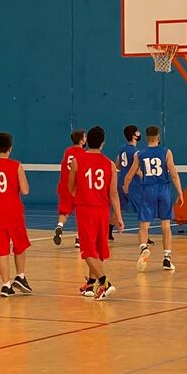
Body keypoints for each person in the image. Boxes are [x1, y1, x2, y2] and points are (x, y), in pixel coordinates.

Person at [68, 126, 123, 299]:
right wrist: (119, 217)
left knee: (87, 250)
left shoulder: (77, 160)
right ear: (102, 143)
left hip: (85, 208)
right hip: (103, 210)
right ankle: (91, 284)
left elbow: (71, 187)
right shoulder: (110, 164)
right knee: (97, 249)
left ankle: (104, 283)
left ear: (87, 141)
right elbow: (113, 194)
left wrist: (82, 195)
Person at [123, 125, 184, 272]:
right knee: (166, 225)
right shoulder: (166, 152)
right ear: (158, 137)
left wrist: (125, 186)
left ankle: (143, 247)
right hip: (163, 190)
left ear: (146, 137)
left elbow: (130, 174)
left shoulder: (140, 154)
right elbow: (173, 174)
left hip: (148, 190)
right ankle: (167, 259)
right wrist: (180, 192)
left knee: (144, 225)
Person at [0, 132, 32, 297]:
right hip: (13, 212)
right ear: (10, 148)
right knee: (20, 245)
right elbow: (25, 190)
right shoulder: (16, 165)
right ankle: (21, 276)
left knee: (1, 251)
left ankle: (6, 285)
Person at [54, 130, 86, 248]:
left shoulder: (68, 151)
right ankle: (78, 239)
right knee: (81, 213)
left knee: (64, 211)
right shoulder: (83, 153)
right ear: (81, 140)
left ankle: (60, 225)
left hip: (64, 186)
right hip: (77, 187)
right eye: (84, 137)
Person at [114, 125, 143, 242]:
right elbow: (137, 169)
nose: (139, 133)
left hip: (121, 180)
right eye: (137, 131)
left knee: (119, 208)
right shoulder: (136, 152)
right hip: (133, 183)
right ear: (134, 135)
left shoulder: (122, 149)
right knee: (142, 209)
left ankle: (108, 232)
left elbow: (117, 165)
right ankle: (145, 236)